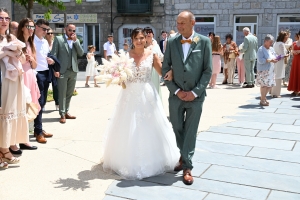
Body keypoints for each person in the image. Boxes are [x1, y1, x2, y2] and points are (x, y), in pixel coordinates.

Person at [101, 27, 179, 180]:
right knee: (127, 126)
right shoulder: (125, 57)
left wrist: (175, 72)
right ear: (132, 40)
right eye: (136, 38)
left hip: (147, 94)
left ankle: (153, 160)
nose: (139, 41)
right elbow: (120, 77)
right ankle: (126, 161)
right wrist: (118, 78)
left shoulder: (152, 55)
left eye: (142, 38)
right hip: (128, 95)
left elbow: (162, 73)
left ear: (146, 39)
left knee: (150, 125)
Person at [162, 10, 212, 185]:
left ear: (193, 23)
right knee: (177, 128)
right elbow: (165, 68)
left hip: (195, 97)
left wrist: (195, 92)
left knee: (191, 131)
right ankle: (184, 155)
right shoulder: (172, 42)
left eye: (182, 23)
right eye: (177, 23)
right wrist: (176, 91)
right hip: (175, 96)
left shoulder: (204, 42)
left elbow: (208, 71)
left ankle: (187, 166)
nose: (179, 26)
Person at [0, 7, 27, 169]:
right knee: (3, 113)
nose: (4, 21)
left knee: (10, 114)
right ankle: (2, 151)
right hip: (2, 80)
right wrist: (6, 52)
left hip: (14, 80)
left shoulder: (11, 37)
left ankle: (5, 148)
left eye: (6, 18)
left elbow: (23, 60)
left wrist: (17, 53)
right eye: (1, 18)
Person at [51, 23, 84, 124]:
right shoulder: (59, 39)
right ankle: (61, 114)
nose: (72, 32)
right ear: (65, 29)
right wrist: (54, 70)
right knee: (62, 93)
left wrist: (76, 42)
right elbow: (53, 55)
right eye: (70, 30)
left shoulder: (76, 40)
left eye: (74, 31)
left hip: (73, 70)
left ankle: (66, 111)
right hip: (62, 71)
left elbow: (81, 53)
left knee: (69, 93)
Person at [15, 18, 39, 151]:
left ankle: (25, 139)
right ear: (22, 27)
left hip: (30, 76)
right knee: (20, 108)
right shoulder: (17, 43)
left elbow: (35, 65)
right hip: (21, 76)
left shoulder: (31, 43)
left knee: (29, 108)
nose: (31, 29)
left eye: (32, 27)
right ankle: (21, 140)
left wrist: (31, 59)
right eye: (28, 26)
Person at [33, 19, 55, 143]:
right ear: (36, 27)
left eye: (47, 29)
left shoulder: (45, 42)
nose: (45, 31)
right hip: (37, 73)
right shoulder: (31, 40)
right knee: (39, 103)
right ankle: (38, 130)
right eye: (43, 29)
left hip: (46, 72)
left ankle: (38, 129)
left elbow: (46, 56)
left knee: (43, 102)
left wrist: (50, 61)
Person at [256, 35, 278, 106]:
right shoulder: (261, 49)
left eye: (272, 42)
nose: (271, 44)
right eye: (270, 42)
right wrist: (269, 60)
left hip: (271, 69)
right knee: (264, 85)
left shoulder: (271, 49)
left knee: (270, 85)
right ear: (265, 41)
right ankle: (262, 100)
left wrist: (277, 58)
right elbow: (260, 60)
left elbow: (275, 55)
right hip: (263, 70)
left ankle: (263, 97)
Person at [144, 27, 164, 99]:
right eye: (146, 32)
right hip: (146, 70)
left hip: (156, 71)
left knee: (155, 89)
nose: (148, 33)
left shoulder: (156, 45)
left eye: (150, 32)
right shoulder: (142, 45)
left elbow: (161, 56)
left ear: (153, 34)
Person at [271, 31, 289, 98]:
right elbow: (282, 54)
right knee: (278, 77)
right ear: (283, 37)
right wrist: (286, 55)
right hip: (279, 61)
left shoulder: (275, 43)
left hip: (274, 61)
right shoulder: (281, 44)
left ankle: (272, 92)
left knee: (275, 76)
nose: (286, 39)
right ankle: (276, 93)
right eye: (286, 38)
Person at [45, 28, 59, 110]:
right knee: (44, 86)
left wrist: (57, 69)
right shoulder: (43, 43)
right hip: (45, 68)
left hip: (55, 67)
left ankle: (57, 103)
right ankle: (43, 103)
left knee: (56, 86)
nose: (50, 35)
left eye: (51, 33)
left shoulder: (56, 44)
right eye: (48, 33)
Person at [287, 31, 300, 96]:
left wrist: (299, 51)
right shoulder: (294, 43)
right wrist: (294, 52)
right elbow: (291, 51)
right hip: (295, 60)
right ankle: (295, 90)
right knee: (295, 73)